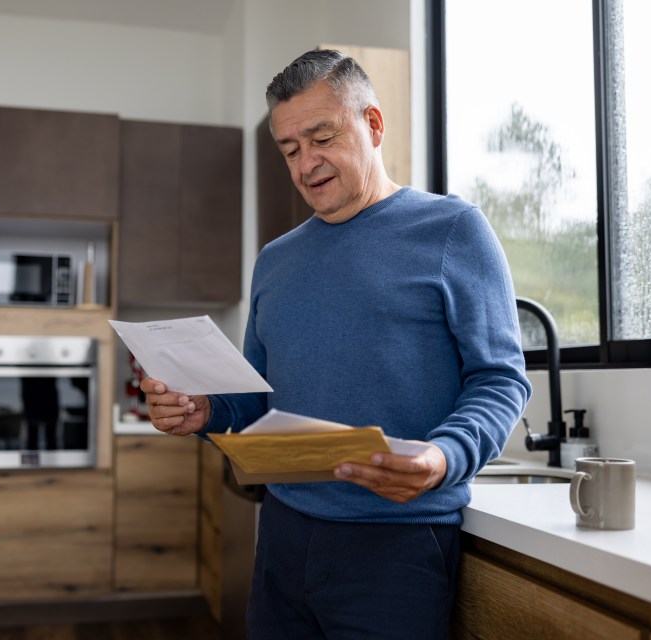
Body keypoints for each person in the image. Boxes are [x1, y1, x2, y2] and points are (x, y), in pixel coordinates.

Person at [141, 49, 532, 639]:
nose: (305, 164)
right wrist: (205, 409)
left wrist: (444, 456)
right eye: (290, 149)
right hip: (282, 533)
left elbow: (500, 379)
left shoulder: (453, 231)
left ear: (373, 125)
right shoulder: (275, 261)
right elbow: (257, 399)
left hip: (395, 545)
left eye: (322, 138)